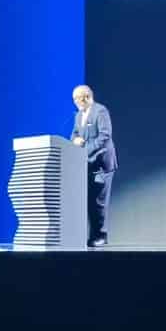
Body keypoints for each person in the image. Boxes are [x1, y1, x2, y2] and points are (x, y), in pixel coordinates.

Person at [70, 85, 117, 248]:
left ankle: (101, 235)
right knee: (90, 201)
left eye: (78, 98)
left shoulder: (100, 111)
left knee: (99, 202)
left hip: (102, 164)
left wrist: (86, 150)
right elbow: (75, 133)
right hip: (89, 164)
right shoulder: (78, 115)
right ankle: (93, 235)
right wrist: (75, 140)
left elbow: (105, 136)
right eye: (74, 99)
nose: (76, 102)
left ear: (87, 97)